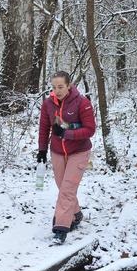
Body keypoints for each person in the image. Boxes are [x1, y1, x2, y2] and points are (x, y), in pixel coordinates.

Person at [37, 71, 96, 244]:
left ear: (69, 85)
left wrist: (66, 133)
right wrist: (41, 150)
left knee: (67, 189)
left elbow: (90, 130)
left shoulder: (82, 103)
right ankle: (76, 214)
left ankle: (61, 228)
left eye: (61, 87)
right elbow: (43, 128)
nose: (57, 90)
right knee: (63, 187)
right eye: (54, 87)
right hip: (56, 152)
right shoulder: (48, 104)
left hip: (78, 152)